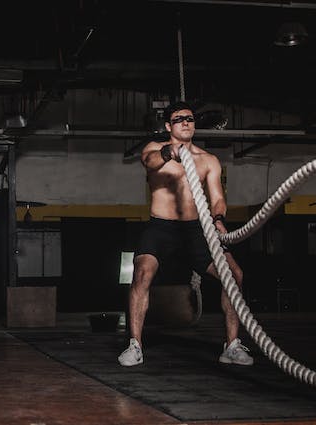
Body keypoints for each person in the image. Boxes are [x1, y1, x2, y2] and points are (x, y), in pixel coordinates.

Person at [118, 101, 253, 367]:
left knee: (234, 275)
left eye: (189, 119)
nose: (186, 122)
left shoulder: (208, 160)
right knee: (142, 272)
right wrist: (171, 152)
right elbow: (151, 162)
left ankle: (232, 346)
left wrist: (218, 219)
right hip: (161, 227)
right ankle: (135, 345)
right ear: (169, 126)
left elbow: (217, 198)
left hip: (196, 229)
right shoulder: (155, 150)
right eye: (179, 119)